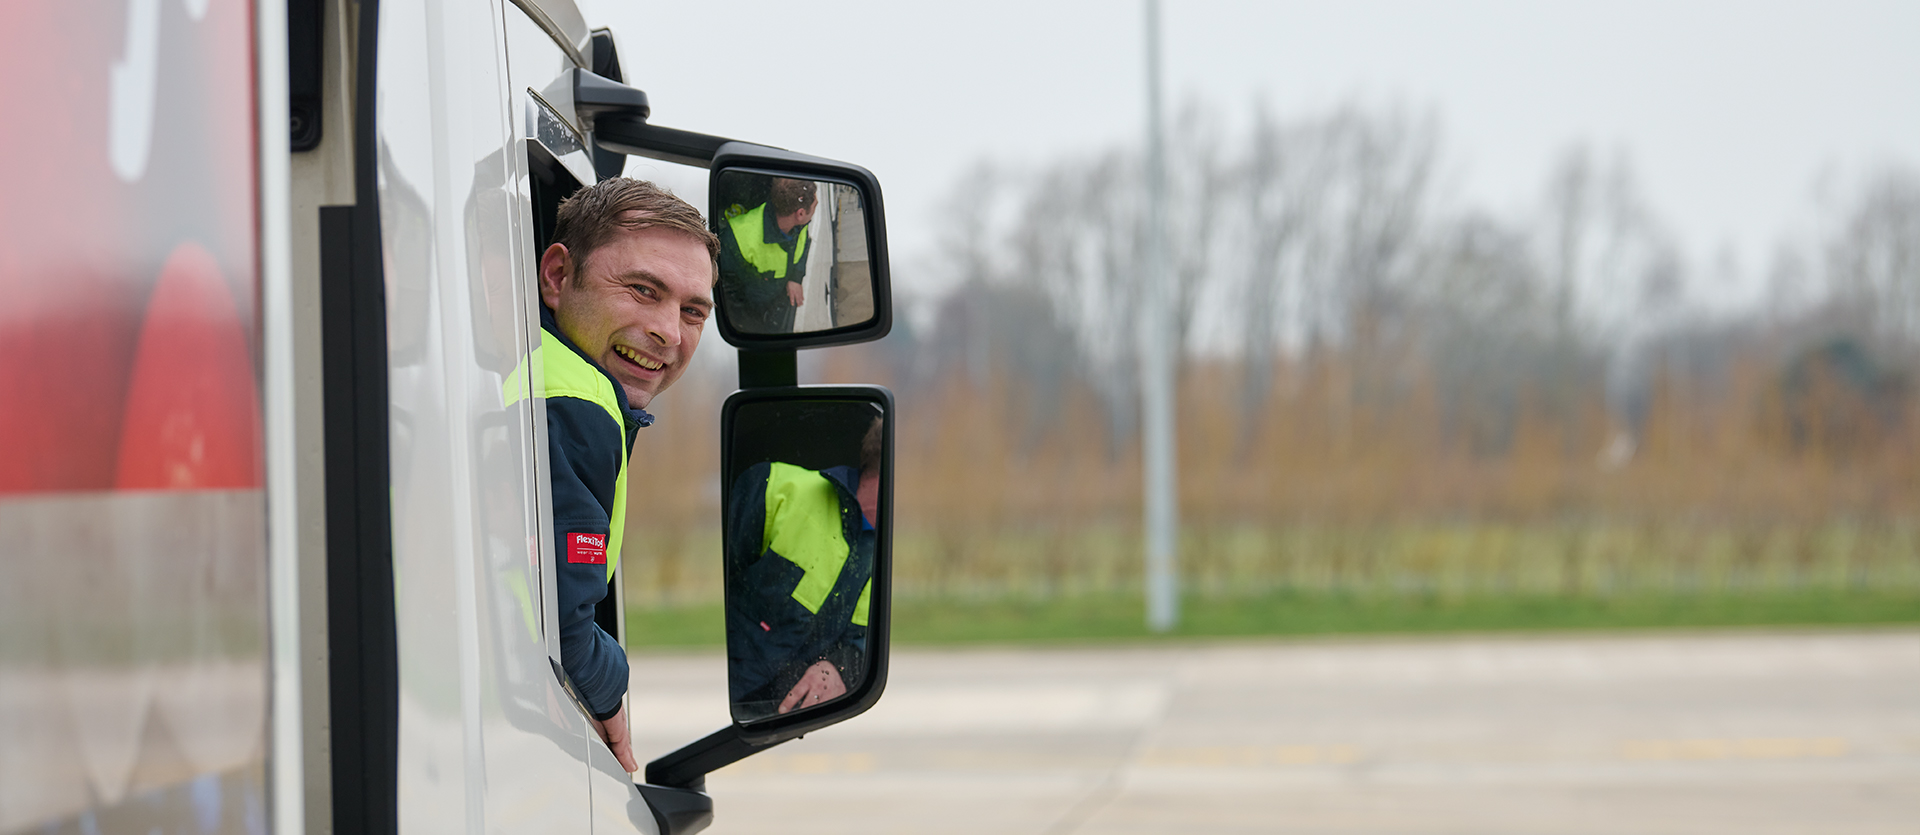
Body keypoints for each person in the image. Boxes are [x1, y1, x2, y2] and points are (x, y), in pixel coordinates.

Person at [529, 178, 718, 772]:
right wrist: (610, 691)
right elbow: (562, 626)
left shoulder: (531, 368)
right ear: (557, 276)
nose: (670, 332)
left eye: (693, 311)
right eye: (643, 290)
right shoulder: (577, 402)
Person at [724, 418, 881, 718]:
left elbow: (863, 642)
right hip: (720, 699)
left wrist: (835, 668)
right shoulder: (773, 487)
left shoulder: (884, 553)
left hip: (778, 718)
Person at [718, 177, 816, 333]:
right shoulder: (736, 237)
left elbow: (804, 244)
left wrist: (795, 277)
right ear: (801, 213)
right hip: (754, 314)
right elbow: (726, 292)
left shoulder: (799, 225)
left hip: (776, 300)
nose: (816, 208)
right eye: (815, 205)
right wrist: (751, 328)